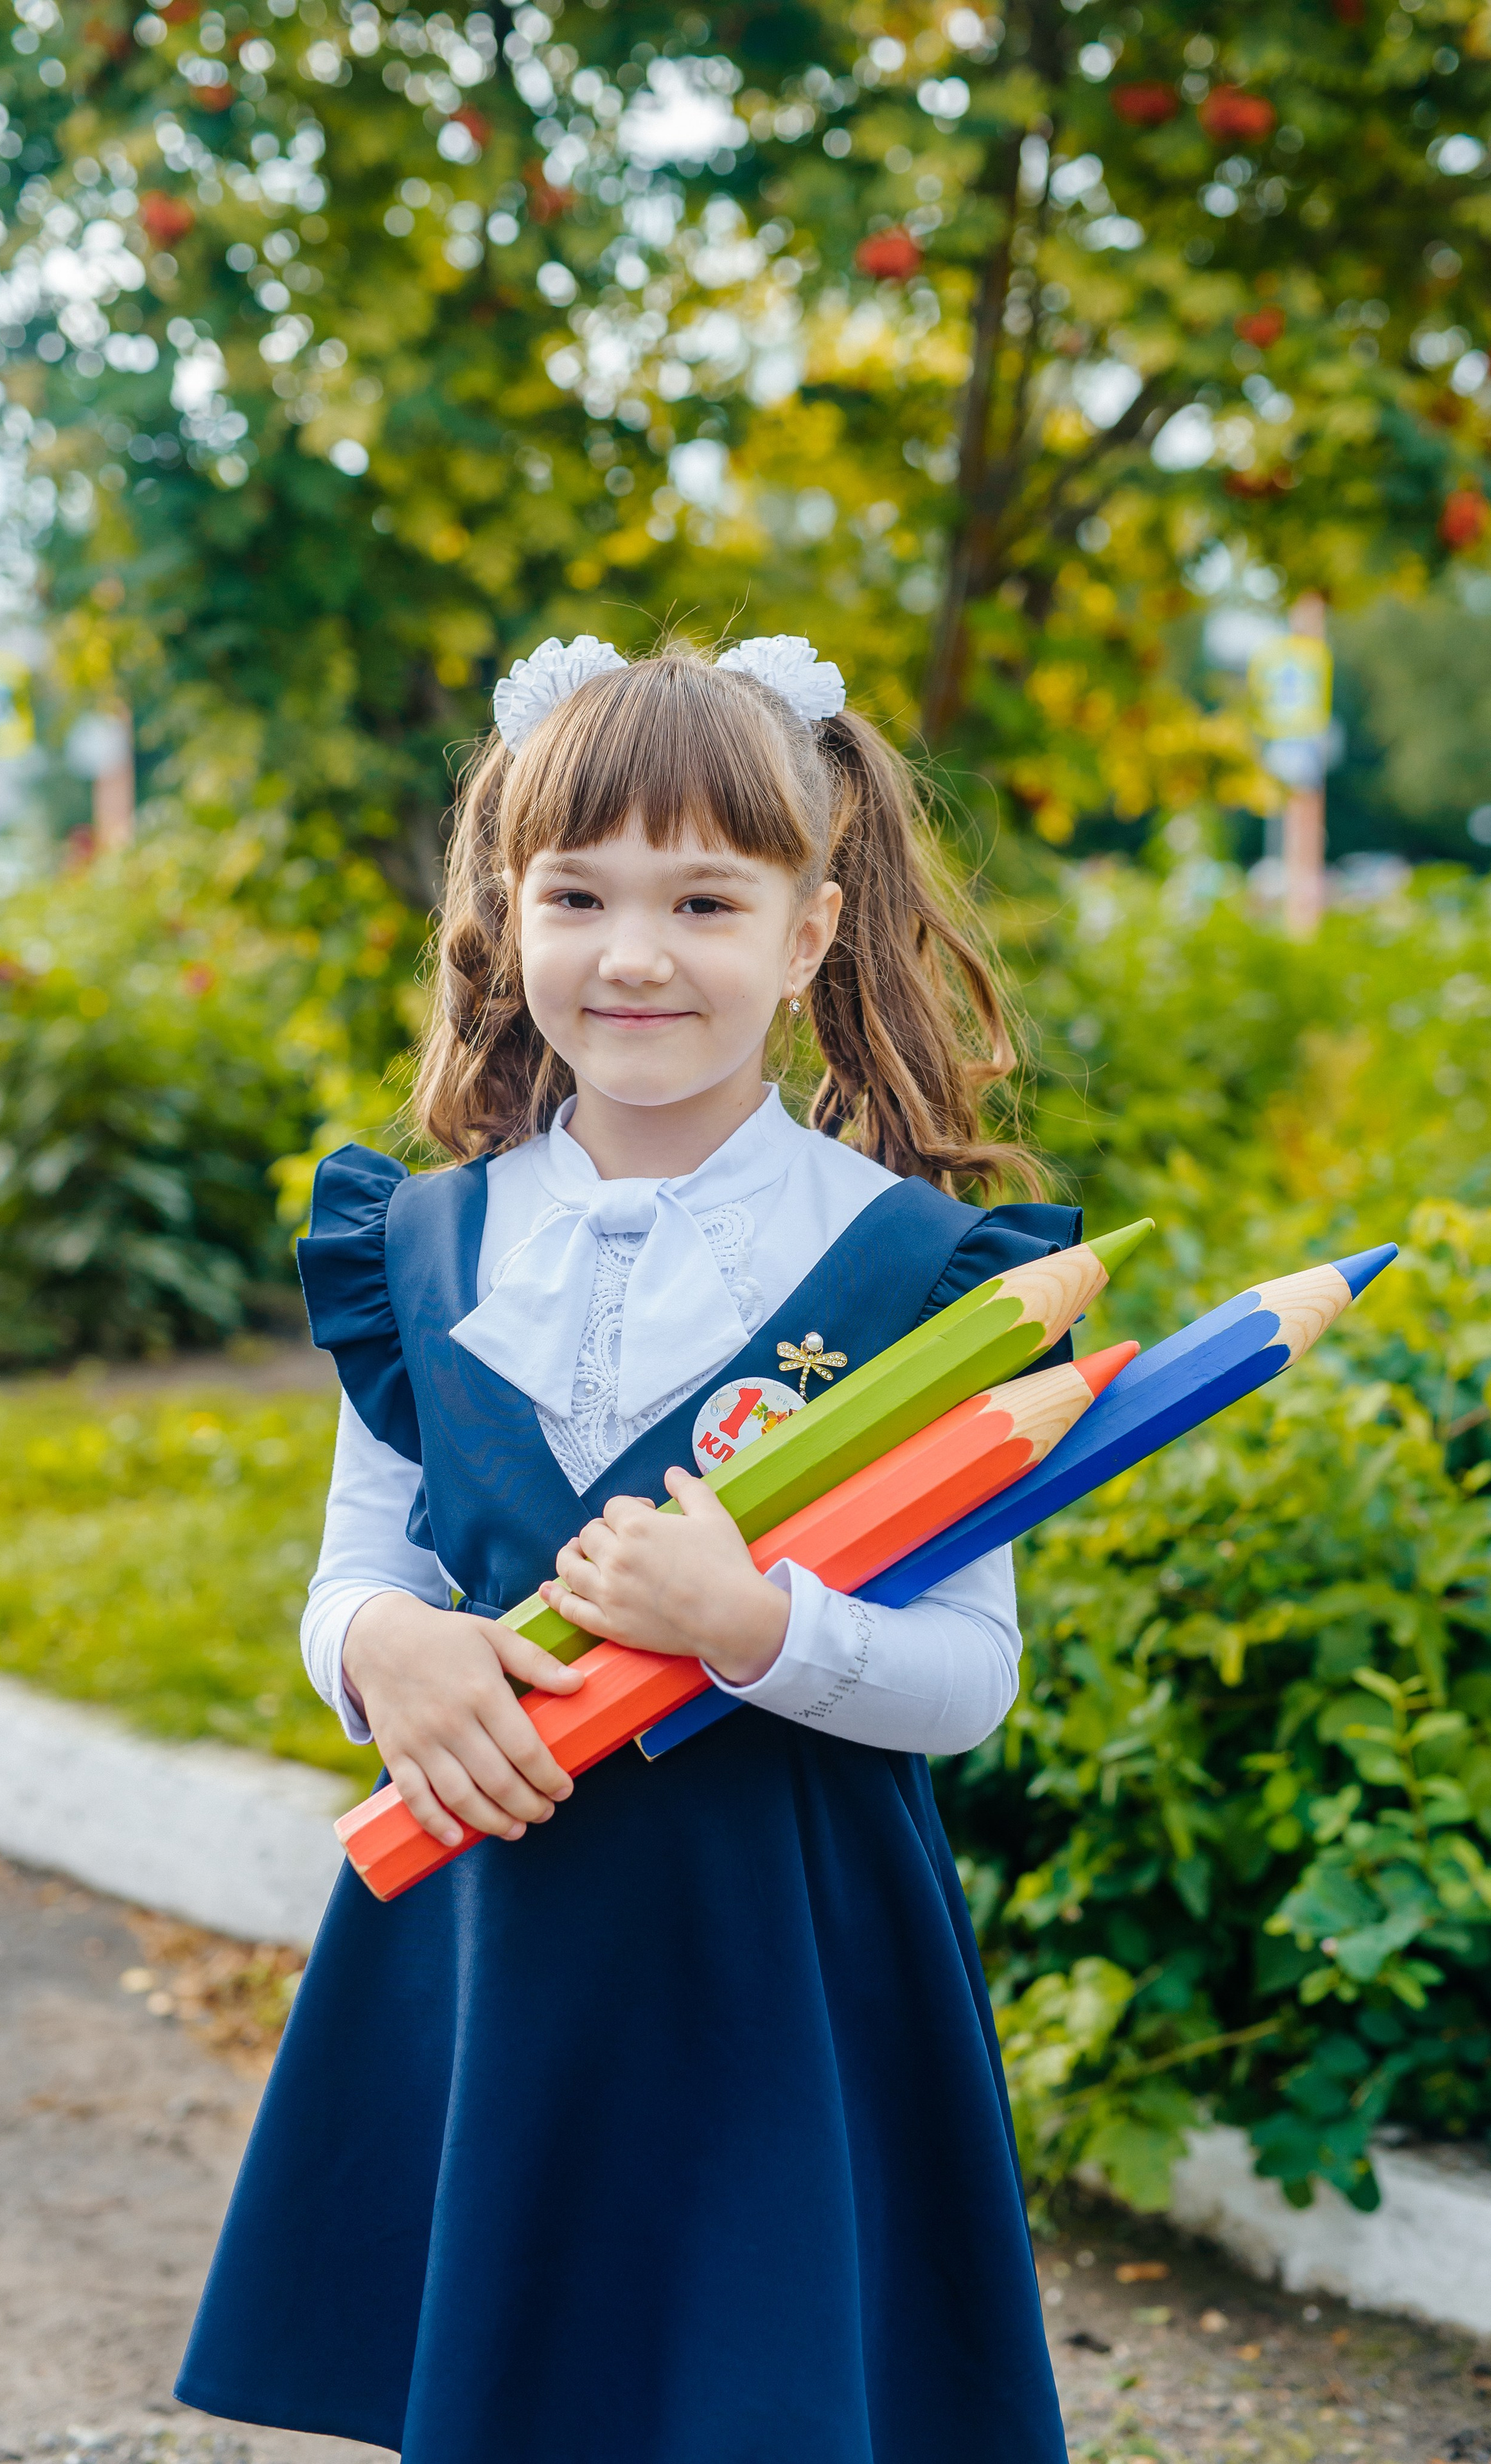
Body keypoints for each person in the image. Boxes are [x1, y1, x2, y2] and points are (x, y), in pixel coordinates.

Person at [177, 635, 1074, 2464]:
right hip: (500, 1939)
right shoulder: (419, 1249)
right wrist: (378, 1652)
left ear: (811, 935)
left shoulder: (914, 1278)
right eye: (577, 892)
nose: (635, 952)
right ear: (509, 915)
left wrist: (755, 1626)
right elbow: (354, 1568)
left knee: (761, 2382)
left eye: (703, 897)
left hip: (785, 1960)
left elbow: (971, 1680)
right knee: (514, 2390)